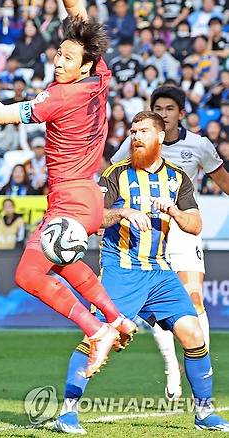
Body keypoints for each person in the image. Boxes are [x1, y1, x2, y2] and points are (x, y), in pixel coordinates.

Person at [0, 0, 135, 377]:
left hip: (70, 202)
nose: (59, 62)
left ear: (85, 64)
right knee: (64, 263)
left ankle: (97, 330)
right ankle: (117, 319)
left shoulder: (60, 97)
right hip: (88, 198)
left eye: (67, 58)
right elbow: (78, 13)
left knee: (28, 275)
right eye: (59, 54)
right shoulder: (100, 77)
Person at [54, 111, 229, 434]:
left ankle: (204, 413)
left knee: (193, 333)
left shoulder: (177, 178)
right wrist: (122, 212)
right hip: (122, 269)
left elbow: (195, 225)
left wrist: (174, 211)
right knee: (100, 338)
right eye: (134, 131)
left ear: (160, 137)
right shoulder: (116, 174)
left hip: (160, 271)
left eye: (144, 131)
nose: (136, 136)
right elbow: (95, 219)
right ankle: (67, 411)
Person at [111, 86, 229, 401]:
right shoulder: (134, 142)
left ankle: (200, 361)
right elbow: (110, 175)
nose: (164, 113)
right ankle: (171, 366)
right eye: (158, 109)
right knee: (158, 309)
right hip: (145, 233)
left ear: (180, 113)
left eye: (169, 109)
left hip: (182, 228)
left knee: (193, 298)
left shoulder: (199, 146)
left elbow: (224, 182)